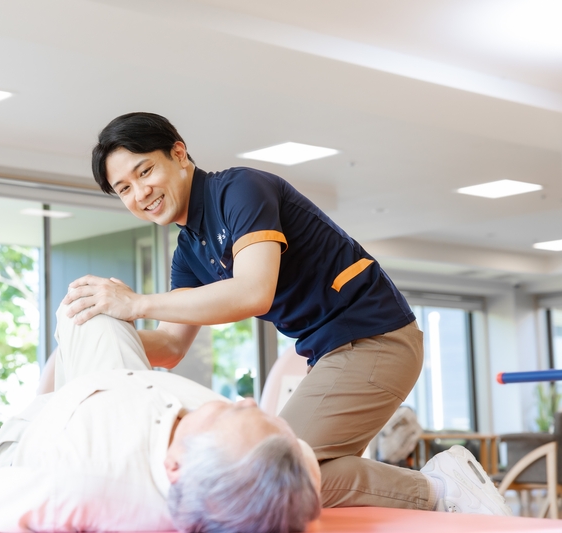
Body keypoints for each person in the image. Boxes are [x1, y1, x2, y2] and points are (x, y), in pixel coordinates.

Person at [61, 112, 511, 515]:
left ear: (178, 154)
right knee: (287, 475)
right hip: (331, 352)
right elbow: (171, 346)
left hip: (375, 337)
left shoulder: (239, 189)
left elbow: (253, 291)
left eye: (145, 171)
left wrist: (136, 303)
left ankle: (438, 489)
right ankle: (432, 488)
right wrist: (94, 331)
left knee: (273, 469)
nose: (140, 193)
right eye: (124, 189)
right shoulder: (188, 251)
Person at [0, 302, 322, 533]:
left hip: (41, 438)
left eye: (227, 414)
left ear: (176, 465)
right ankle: (46, 392)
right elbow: (298, 460)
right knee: (89, 306)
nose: (244, 401)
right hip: (124, 383)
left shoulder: (83, 484)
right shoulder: (288, 465)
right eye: (258, 412)